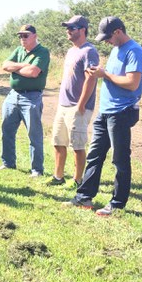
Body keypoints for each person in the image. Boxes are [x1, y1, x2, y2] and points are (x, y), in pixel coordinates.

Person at [64, 16, 142, 216]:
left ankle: (117, 203)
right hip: (106, 111)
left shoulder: (134, 51)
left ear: (118, 31)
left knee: (120, 159)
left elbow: (132, 83)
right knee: (94, 155)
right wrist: (99, 72)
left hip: (121, 112)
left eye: (108, 37)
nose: (106, 42)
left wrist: (105, 75)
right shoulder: (116, 50)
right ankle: (84, 196)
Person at [47, 15, 99, 187]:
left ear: (83, 30)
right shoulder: (71, 51)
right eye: (67, 28)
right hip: (63, 105)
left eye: (72, 28)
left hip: (78, 106)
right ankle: (58, 176)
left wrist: (82, 104)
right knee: (58, 141)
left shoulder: (89, 51)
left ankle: (77, 180)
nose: (68, 31)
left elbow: (90, 79)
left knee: (77, 145)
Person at [0, 24, 50, 177]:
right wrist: (22, 66)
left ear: (34, 36)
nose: (22, 39)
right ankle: (8, 163)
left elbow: (33, 72)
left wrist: (15, 69)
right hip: (13, 95)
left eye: (25, 35)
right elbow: (4, 65)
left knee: (34, 134)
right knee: (7, 130)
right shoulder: (19, 50)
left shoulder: (42, 52)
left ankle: (37, 169)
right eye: (20, 36)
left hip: (32, 97)